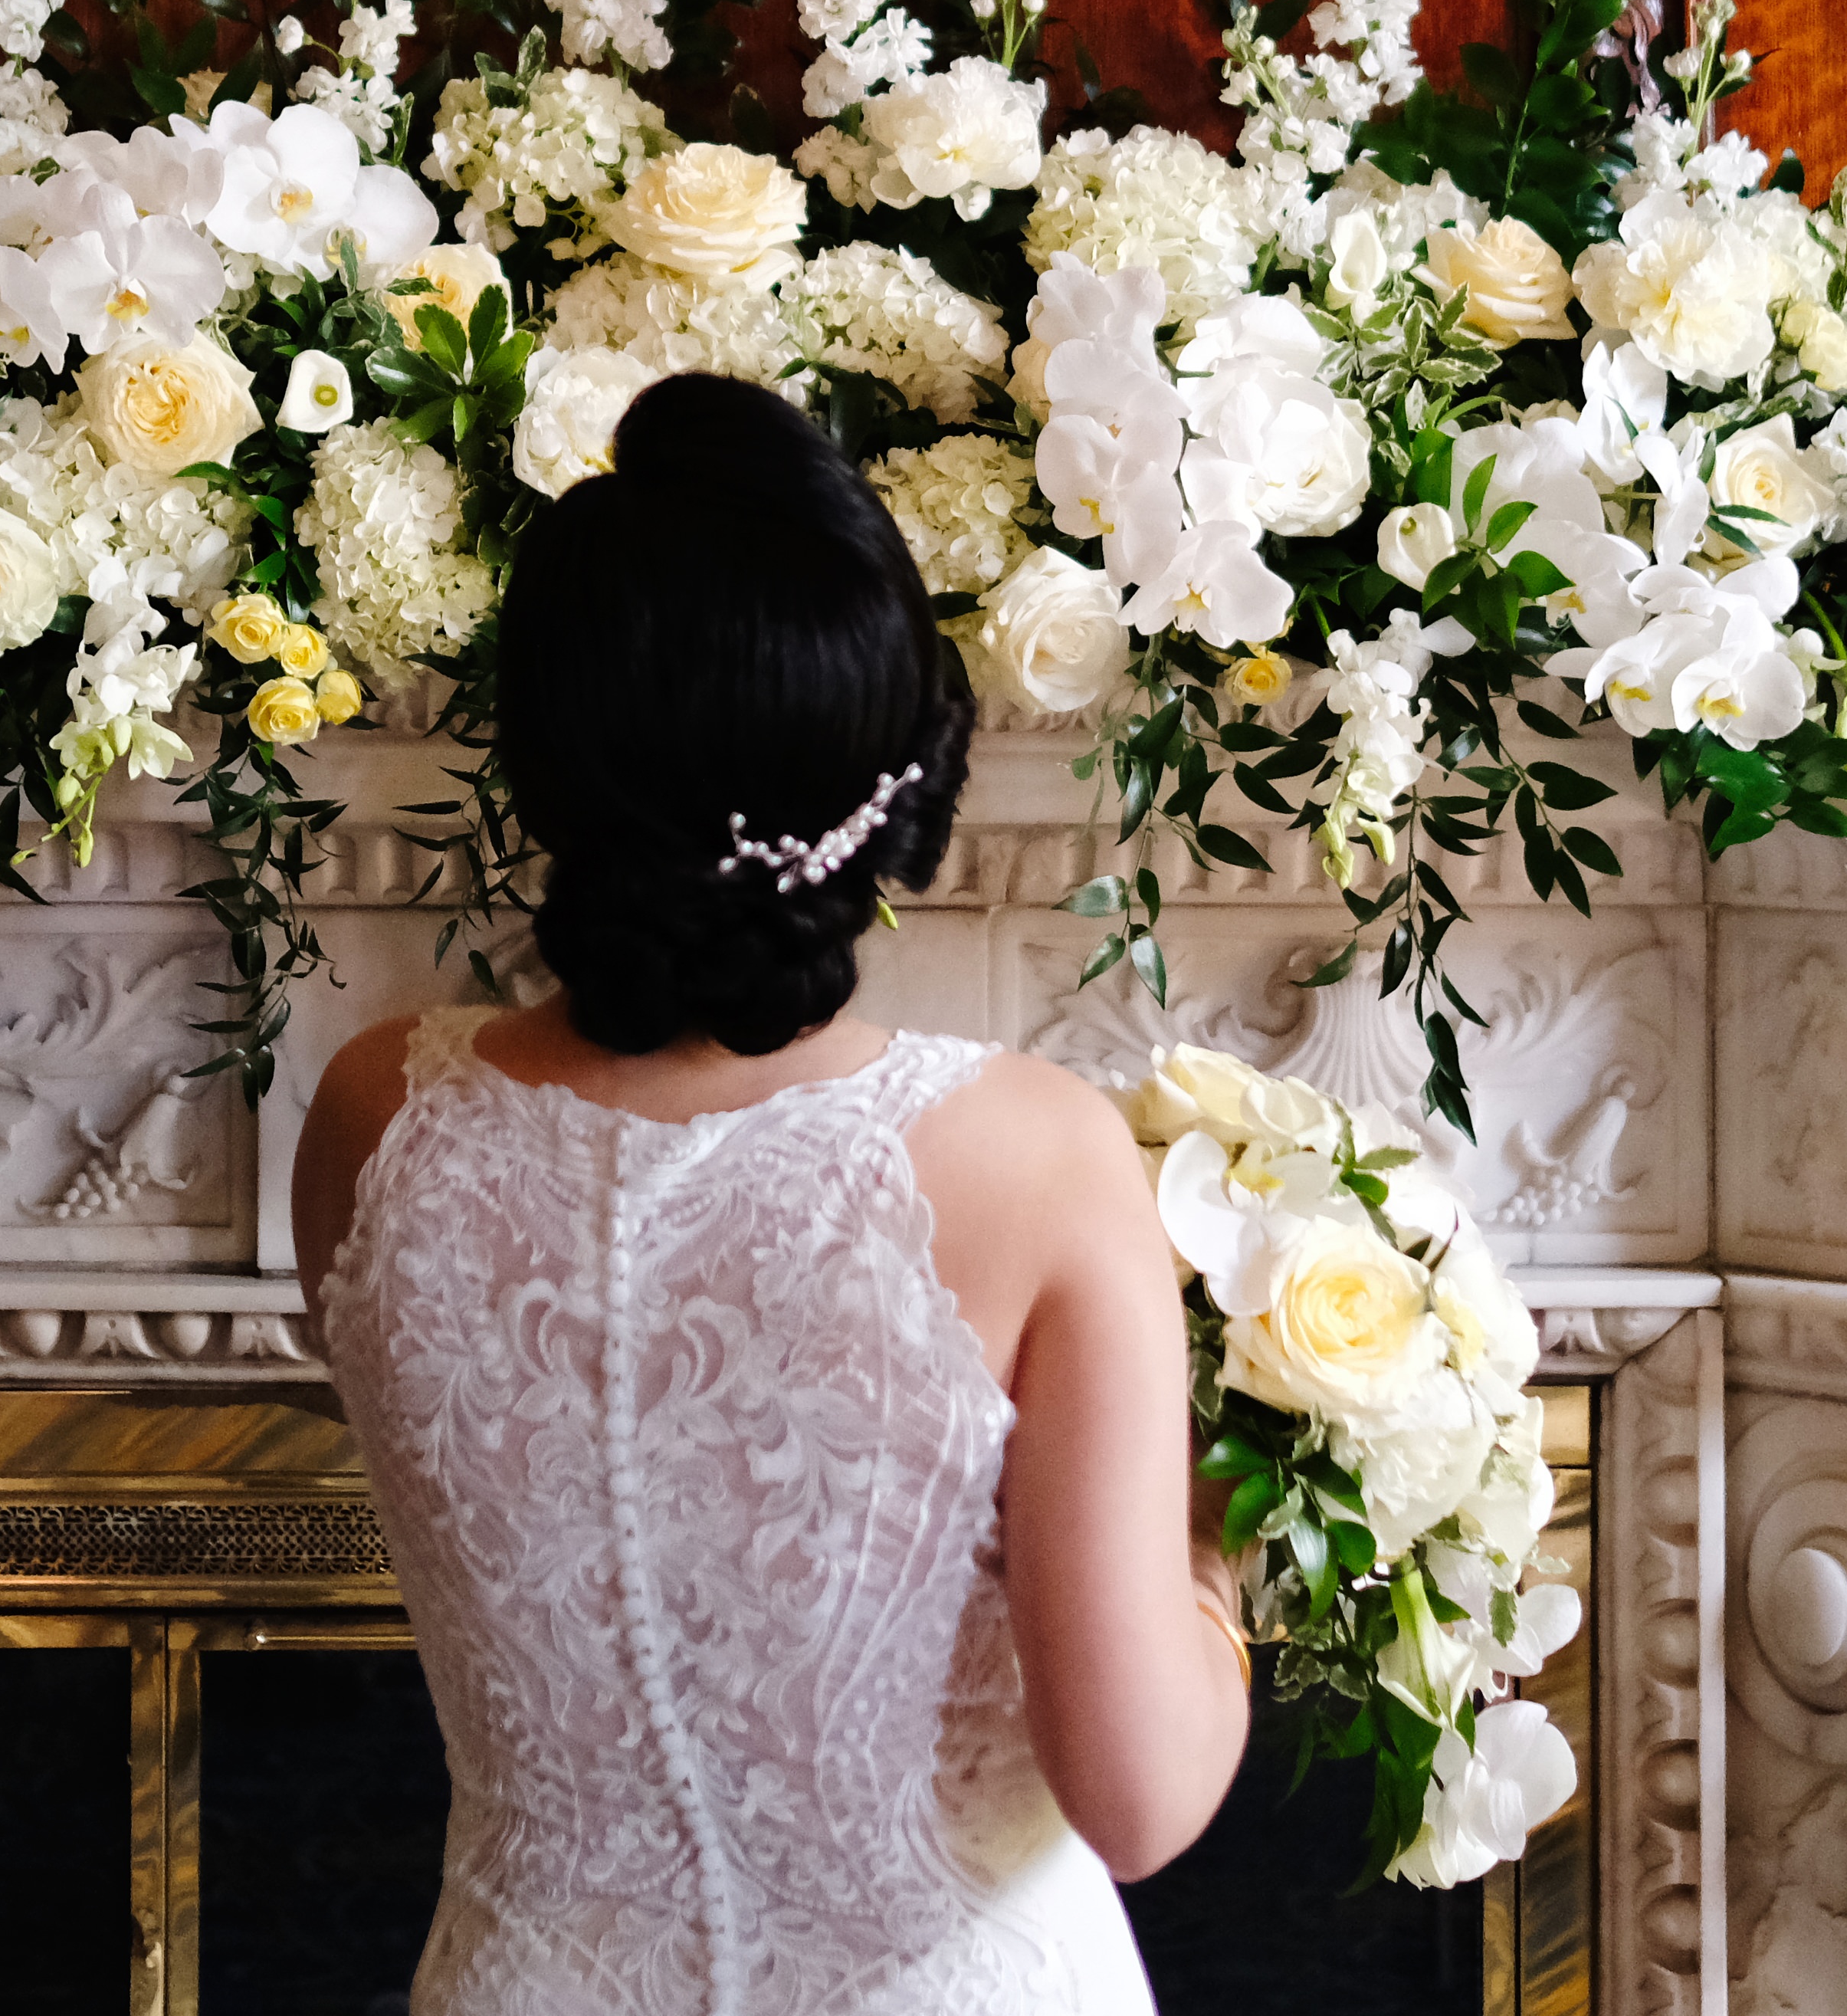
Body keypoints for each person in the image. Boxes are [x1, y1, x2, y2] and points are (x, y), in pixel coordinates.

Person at [297, 373, 1248, 2013]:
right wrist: (1218, 1562)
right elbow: (1144, 1795)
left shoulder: (373, 1115)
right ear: (893, 770)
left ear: (539, 768)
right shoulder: (1037, 1157)